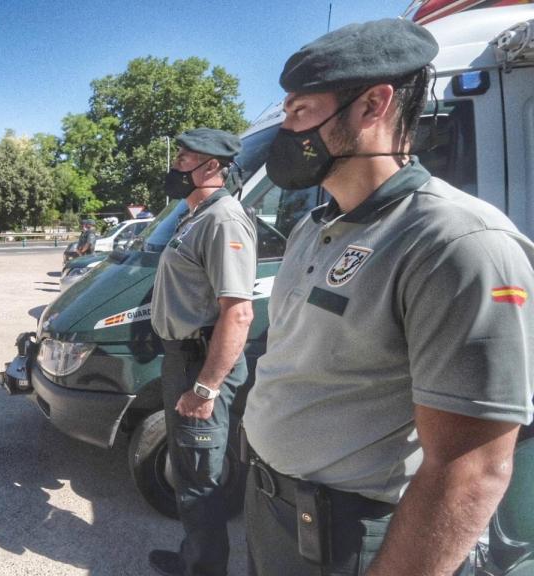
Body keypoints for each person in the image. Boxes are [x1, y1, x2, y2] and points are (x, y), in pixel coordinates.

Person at [242, 18, 534, 575]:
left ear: (373, 105)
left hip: (350, 536)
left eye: (301, 111)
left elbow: (469, 467)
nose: (289, 130)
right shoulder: (315, 224)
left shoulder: (457, 242)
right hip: (273, 509)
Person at [146, 129, 257, 576]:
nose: (176, 165)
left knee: (199, 477)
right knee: (190, 473)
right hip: (183, 356)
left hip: (200, 362)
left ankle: (205, 570)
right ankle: (196, 558)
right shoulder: (195, 215)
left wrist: (205, 386)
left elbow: (238, 314)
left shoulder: (223, 219)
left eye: (184, 158)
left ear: (212, 166)